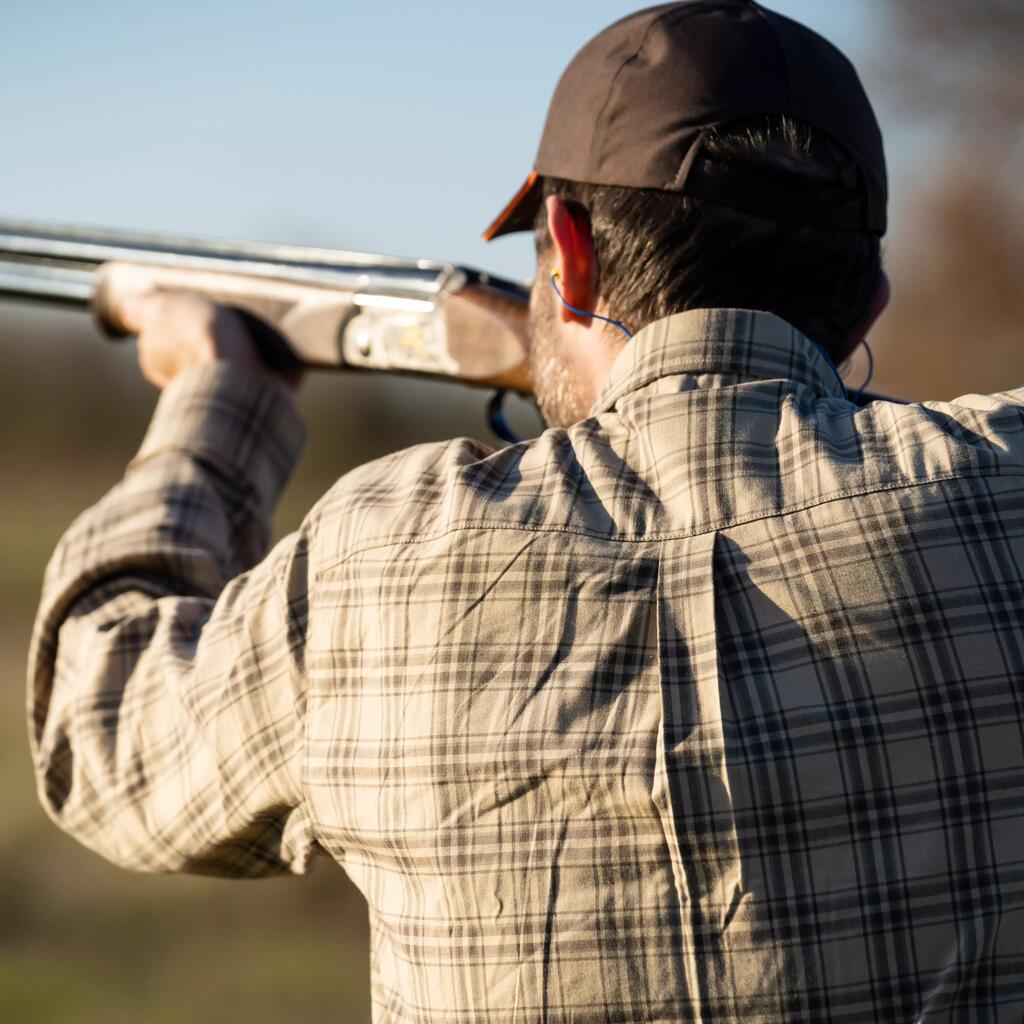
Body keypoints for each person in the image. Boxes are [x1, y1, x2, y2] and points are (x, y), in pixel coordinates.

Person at [27, 2, 1024, 1021]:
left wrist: (215, 401)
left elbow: (98, 737)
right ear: (869, 303)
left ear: (568, 250)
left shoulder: (381, 553)